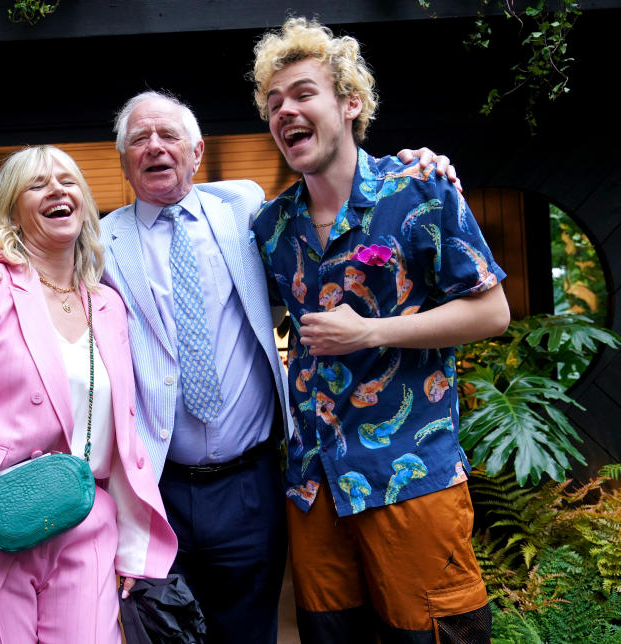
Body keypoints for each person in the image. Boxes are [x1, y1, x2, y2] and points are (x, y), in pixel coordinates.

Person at [0, 93, 457, 643]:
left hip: (251, 484)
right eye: (138, 140)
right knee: (160, 632)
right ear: (123, 163)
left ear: (197, 153)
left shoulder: (248, 210)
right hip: (156, 486)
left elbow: (339, 181)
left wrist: (418, 164)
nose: (154, 148)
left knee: (250, 630)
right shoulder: (99, 242)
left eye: (168, 136)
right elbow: (37, 254)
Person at [250, 17, 510, 643]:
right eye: (273, 102)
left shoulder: (419, 189)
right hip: (314, 484)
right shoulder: (270, 226)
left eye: (303, 93)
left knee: (435, 634)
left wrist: (372, 333)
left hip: (409, 471)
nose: (285, 110)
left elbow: (492, 312)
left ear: (350, 103)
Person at [0, 145, 177, 644]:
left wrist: (134, 543)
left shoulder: (108, 304)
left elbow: (122, 438)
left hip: (83, 525)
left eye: (68, 180)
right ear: (12, 211)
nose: (57, 190)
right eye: (37, 184)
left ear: (86, 203)